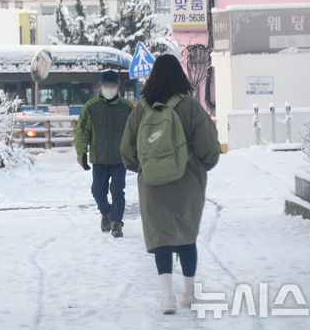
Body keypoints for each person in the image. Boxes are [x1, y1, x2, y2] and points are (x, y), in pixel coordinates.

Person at [120, 55, 220, 314]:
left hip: (152, 183)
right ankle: (188, 294)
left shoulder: (141, 108)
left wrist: (143, 168)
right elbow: (209, 146)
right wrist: (200, 167)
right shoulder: (189, 107)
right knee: (186, 236)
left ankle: (167, 298)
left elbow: (127, 150)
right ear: (180, 76)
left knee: (161, 238)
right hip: (188, 182)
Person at [75, 70, 134, 238]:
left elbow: (136, 131)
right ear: (100, 86)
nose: (109, 89)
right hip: (99, 159)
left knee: (117, 191)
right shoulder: (91, 107)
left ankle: (116, 223)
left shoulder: (127, 107)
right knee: (97, 191)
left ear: (118, 86)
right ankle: (106, 214)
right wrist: (81, 153)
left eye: (112, 86)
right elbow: (82, 131)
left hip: (119, 158)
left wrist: (136, 152)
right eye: (106, 86)